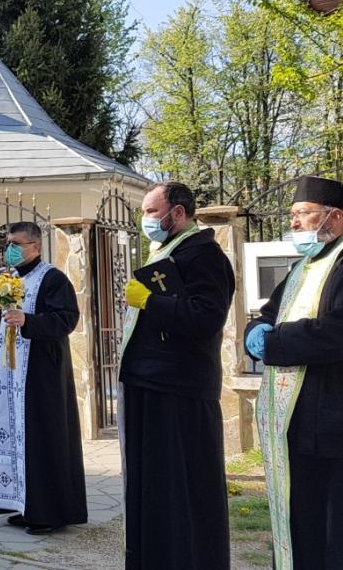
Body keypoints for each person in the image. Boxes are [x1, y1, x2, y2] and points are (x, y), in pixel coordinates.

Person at [246, 175, 343, 570]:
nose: (294, 223)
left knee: (341, 529)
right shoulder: (303, 266)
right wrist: (254, 333)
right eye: (293, 214)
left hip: (339, 420)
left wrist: (275, 342)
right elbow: (268, 313)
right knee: (305, 519)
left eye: (302, 214)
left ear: (334, 217)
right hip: (298, 422)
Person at [119, 182, 233, 570]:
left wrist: (151, 301)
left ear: (178, 213)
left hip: (179, 389)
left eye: (152, 212)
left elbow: (206, 317)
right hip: (152, 381)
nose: (146, 220)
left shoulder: (204, 255)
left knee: (179, 487)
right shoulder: (170, 250)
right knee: (155, 487)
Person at [0, 222, 87, 534]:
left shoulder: (52, 278)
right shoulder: (12, 278)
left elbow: (66, 319)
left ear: (36, 246)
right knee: (18, 439)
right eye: (8, 243)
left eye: (16, 243)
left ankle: (48, 512)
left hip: (42, 374)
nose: (10, 248)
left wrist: (29, 321)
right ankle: (23, 504)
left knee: (42, 439)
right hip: (13, 375)